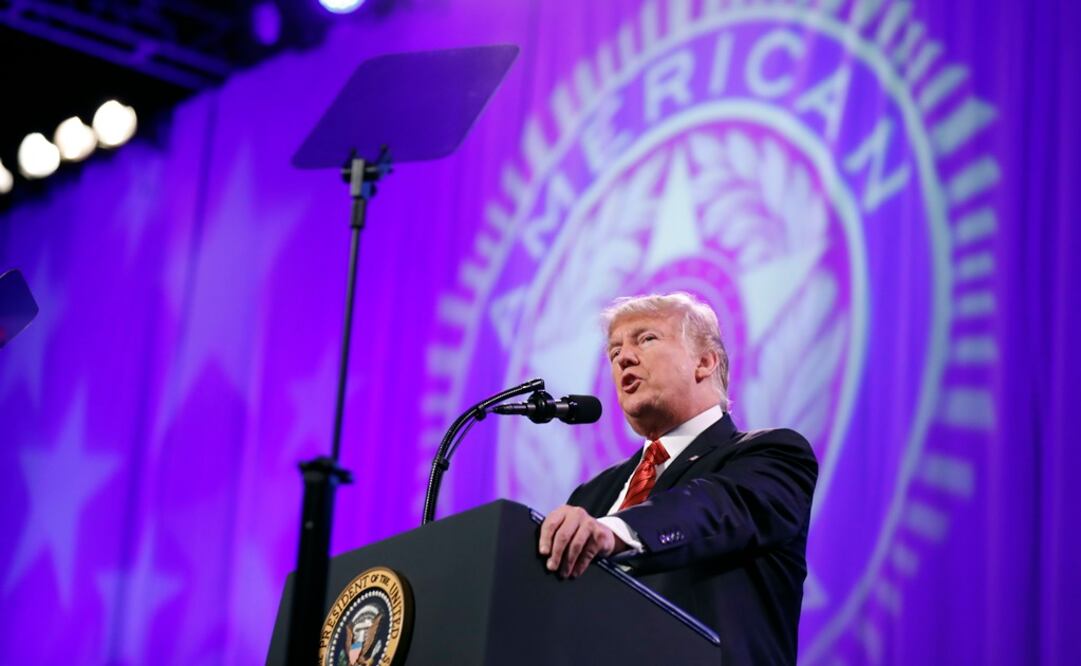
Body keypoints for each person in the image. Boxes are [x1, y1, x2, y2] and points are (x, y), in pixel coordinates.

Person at [538, 292, 818, 665]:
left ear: (704, 362)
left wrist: (614, 533)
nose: (623, 357)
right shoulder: (590, 496)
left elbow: (716, 506)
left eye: (646, 339)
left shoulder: (772, 455)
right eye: (614, 351)